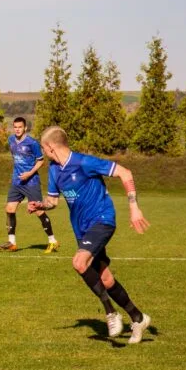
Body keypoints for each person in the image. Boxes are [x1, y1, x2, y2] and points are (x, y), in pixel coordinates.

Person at [28, 126, 151, 344]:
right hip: (82, 229)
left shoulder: (84, 162)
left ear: (50, 147)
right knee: (105, 278)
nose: (44, 152)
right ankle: (138, 317)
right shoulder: (55, 170)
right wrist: (41, 205)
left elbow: (125, 173)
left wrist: (134, 208)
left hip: (102, 220)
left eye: (43, 148)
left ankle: (110, 314)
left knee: (79, 262)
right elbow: (53, 201)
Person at [0, 117, 59, 253]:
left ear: (25, 128)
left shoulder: (32, 143)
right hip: (17, 182)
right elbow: (16, 158)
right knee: (9, 209)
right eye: (15, 127)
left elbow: (40, 161)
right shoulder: (11, 140)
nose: (17, 129)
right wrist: (18, 174)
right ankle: (12, 242)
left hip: (31, 182)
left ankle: (53, 241)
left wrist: (29, 173)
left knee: (39, 211)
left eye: (20, 127)